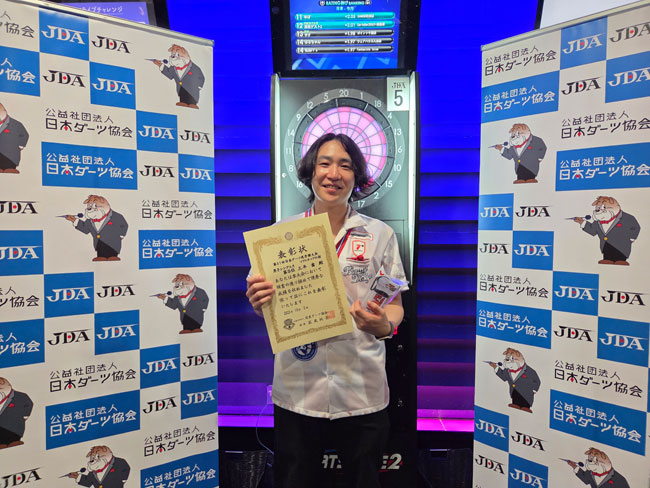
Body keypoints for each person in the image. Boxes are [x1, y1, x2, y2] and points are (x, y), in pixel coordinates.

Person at [246, 133, 407, 488]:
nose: (334, 174)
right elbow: (269, 308)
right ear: (310, 172)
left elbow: (395, 306)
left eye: (345, 165)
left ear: (357, 176)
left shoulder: (379, 235)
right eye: (325, 163)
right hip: (298, 388)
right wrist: (259, 302)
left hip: (361, 386)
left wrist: (383, 325)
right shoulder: (279, 236)